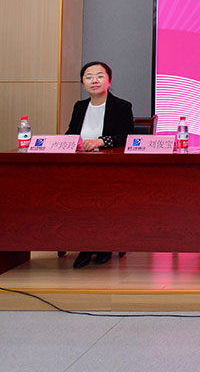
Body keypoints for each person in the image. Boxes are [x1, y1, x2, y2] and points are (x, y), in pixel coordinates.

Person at [65, 61, 135, 269]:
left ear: (109, 80)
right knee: (72, 197)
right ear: (83, 83)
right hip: (80, 167)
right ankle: (85, 246)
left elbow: (127, 137)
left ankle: (104, 245)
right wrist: (70, 142)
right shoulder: (79, 107)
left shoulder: (122, 106)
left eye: (99, 76)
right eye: (88, 77)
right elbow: (71, 133)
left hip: (110, 168)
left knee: (99, 197)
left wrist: (100, 142)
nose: (94, 81)